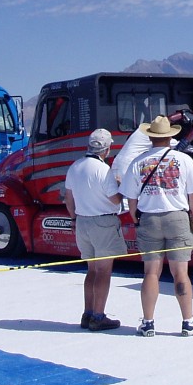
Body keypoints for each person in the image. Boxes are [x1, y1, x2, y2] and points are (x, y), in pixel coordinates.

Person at [120, 115, 193, 337]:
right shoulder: (183, 160)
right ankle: (188, 321)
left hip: (149, 217)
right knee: (181, 273)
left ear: (151, 137)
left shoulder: (138, 162)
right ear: (170, 137)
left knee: (151, 272)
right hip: (177, 217)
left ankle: (148, 322)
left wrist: (136, 219)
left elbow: (131, 199)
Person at [64, 129, 125, 332]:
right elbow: (115, 199)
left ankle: (87, 312)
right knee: (104, 271)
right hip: (103, 222)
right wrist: (119, 186)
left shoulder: (75, 167)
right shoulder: (103, 170)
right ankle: (98, 316)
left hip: (82, 222)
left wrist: (74, 218)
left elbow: (69, 199)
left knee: (91, 270)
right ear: (106, 149)